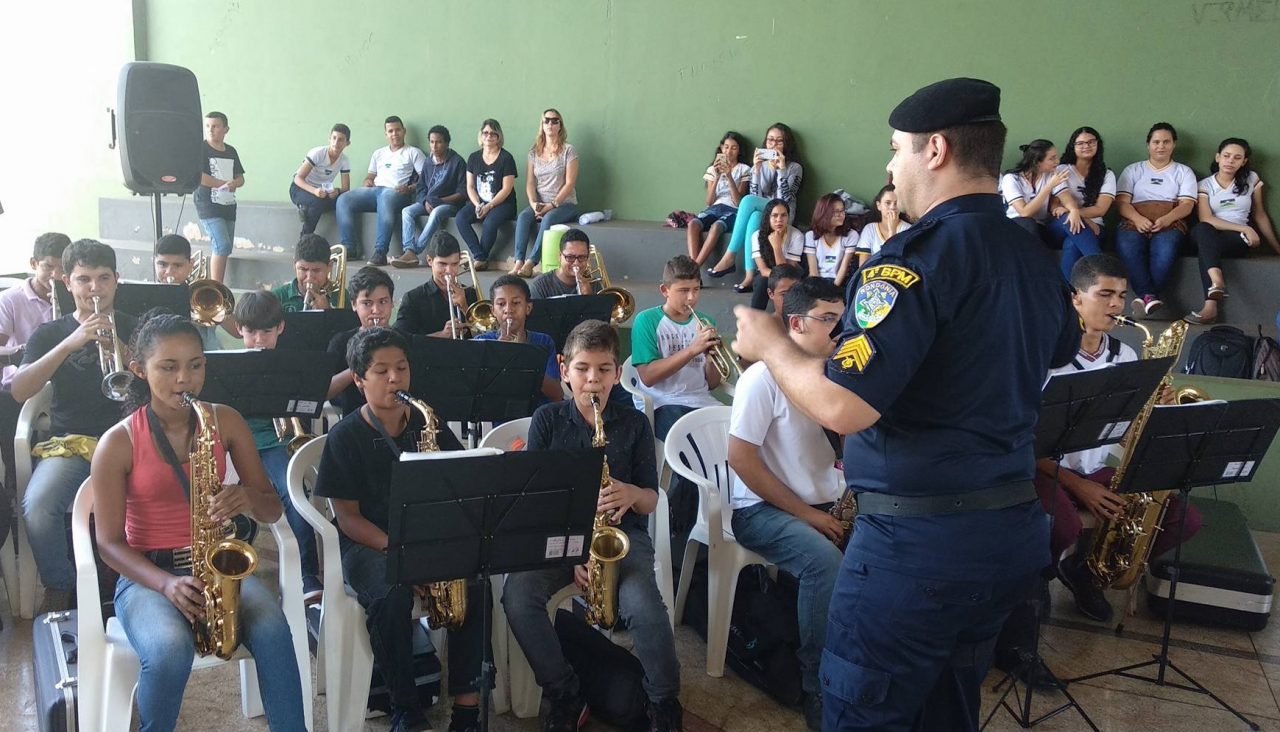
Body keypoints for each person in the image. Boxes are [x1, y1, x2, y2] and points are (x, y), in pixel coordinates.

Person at [731, 78, 1079, 731]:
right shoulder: (1031, 253)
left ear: (937, 150)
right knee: (948, 709)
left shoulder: (911, 263)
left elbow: (843, 406)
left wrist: (773, 346)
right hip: (1005, 531)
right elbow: (1058, 347)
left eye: (897, 149)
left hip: (919, 548)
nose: (890, 166)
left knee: (866, 712)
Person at [89, 312, 306, 731]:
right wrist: (166, 583)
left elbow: (272, 510)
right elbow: (109, 543)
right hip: (148, 575)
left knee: (276, 634)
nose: (184, 380)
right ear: (139, 370)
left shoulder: (226, 421)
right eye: (168, 368)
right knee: (169, 652)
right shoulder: (117, 442)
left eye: (195, 365)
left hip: (216, 565)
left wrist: (246, 497)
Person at [503, 319, 682, 732]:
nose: (592, 381)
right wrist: (572, 552)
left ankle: (663, 703)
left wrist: (632, 494)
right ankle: (564, 692)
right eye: (582, 369)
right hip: (557, 537)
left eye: (604, 370)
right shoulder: (547, 420)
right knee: (518, 596)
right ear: (564, 368)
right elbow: (538, 501)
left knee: (646, 610)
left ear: (618, 373)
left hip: (621, 538)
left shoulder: (635, 424)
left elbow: (653, 498)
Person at [314, 326, 487, 732]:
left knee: (476, 583)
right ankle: (405, 707)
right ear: (358, 381)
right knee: (391, 597)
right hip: (369, 544)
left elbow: (461, 479)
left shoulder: (428, 422)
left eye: (402, 368)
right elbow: (348, 519)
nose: (395, 379)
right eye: (381, 371)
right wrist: (405, 554)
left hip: (426, 536)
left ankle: (467, 708)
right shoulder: (345, 437)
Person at [1033, 254, 1202, 623]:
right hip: (1043, 470)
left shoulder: (1124, 354)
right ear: (1075, 298)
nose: (1116, 305)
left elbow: (1126, 437)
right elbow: (1024, 442)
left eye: (1122, 296)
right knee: (1062, 523)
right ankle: (1035, 582)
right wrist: (1079, 487)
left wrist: (1154, 412)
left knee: (1182, 519)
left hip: (1094, 471)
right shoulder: (1044, 354)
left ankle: (1084, 570)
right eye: (1105, 294)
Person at [730, 277, 846, 730]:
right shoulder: (762, 377)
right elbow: (740, 459)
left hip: (825, 502)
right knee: (825, 564)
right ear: (795, 324)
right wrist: (809, 515)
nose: (840, 332)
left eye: (843, 320)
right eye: (829, 321)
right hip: (761, 510)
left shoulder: (833, 374)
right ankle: (816, 684)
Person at [13, 239, 140, 611]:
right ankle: (61, 585)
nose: (94, 289)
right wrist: (69, 344)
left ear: (117, 280)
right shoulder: (50, 334)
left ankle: (141, 581)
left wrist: (122, 347)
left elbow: (160, 381)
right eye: (84, 279)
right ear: (67, 283)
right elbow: (20, 391)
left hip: (131, 442)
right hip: (70, 443)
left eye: (103, 278)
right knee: (37, 505)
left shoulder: (136, 328)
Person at [233, 290, 324, 602]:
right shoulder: (229, 366)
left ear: (280, 329)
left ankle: (307, 574)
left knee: (293, 489)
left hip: (275, 440)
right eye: (251, 332)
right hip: (234, 443)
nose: (259, 339)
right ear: (238, 330)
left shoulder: (292, 364)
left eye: (267, 332)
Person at [0, 232, 68, 555]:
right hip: (18, 393)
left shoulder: (74, 297)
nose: (54, 277)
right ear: (33, 265)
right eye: (47, 267)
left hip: (60, 393)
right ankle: (16, 499)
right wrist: (27, 351)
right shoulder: (11, 299)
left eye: (60, 269)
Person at [1185, 138, 1280, 324]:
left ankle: (1210, 306)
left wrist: (1276, 247)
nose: (1230, 161)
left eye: (1237, 158)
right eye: (1227, 156)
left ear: (1244, 161)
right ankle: (1217, 281)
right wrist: (1245, 227)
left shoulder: (1251, 179)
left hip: (1235, 240)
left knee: (1208, 248)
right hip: (1210, 233)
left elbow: (1260, 214)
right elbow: (1206, 218)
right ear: (1218, 157)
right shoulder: (1204, 185)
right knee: (1203, 230)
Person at [632, 255, 723, 441]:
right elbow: (648, 377)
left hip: (701, 401)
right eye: (683, 291)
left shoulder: (706, 322)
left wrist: (711, 358)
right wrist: (692, 349)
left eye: (696, 290)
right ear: (665, 290)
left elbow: (712, 384)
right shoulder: (646, 320)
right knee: (692, 445)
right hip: (662, 403)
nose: (691, 298)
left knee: (737, 433)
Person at [1114, 122, 1197, 318]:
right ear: (1148, 145)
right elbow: (1122, 203)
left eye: (1166, 142)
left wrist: (1167, 219)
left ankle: (1145, 297)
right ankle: (1149, 296)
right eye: (1156, 142)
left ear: (1173, 145)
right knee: (1128, 247)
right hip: (1133, 220)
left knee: (1165, 251)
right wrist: (1138, 218)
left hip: (1171, 222)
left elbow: (1187, 205)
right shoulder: (1133, 170)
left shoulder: (1183, 172)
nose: (1161, 146)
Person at [708, 124, 804, 293]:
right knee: (753, 217)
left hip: (783, 214)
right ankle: (750, 274)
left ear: (786, 144)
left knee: (747, 201)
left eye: (779, 141)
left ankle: (730, 255)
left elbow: (784, 200)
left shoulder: (795, 168)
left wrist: (781, 170)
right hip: (764, 212)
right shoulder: (759, 166)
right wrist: (757, 170)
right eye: (770, 140)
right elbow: (756, 194)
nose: (773, 144)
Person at [336, 116, 426, 266]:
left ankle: (380, 252)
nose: (394, 134)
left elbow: (425, 180)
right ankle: (350, 248)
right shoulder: (378, 153)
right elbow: (370, 176)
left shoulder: (413, 152)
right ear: (386, 134)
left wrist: (409, 188)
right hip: (375, 191)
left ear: (404, 131)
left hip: (397, 193)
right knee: (343, 199)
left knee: (386, 196)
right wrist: (368, 181)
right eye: (390, 131)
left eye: (397, 130)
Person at [472, 274, 564, 404]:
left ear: (528, 308)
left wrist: (523, 354)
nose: (508, 310)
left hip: (536, 416)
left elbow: (556, 395)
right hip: (496, 418)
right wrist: (495, 355)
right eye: (501, 304)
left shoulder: (544, 342)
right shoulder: (482, 342)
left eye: (516, 303)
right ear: (493, 310)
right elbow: (474, 392)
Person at [511, 109, 581, 277]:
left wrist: (552, 205)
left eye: (554, 120)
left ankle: (531, 262)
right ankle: (518, 261)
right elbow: (530, 183)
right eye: (546, 121)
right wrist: (534, 204)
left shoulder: (568, 151)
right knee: (523, 217)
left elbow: (570, 183)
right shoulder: (534, 152)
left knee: (549, 218)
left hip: (564, 204)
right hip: (541, 203)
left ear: (560, 125)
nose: (550, 124)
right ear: (541, 125)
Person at [326, 266, 397, 417]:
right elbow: (324, 391)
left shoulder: (402, 340)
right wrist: (357, 368)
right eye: (367, 303)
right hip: (355, 420)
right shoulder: (341, 342)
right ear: (354, 305)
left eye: (383, 302)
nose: (376, 310)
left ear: (392, 303)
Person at [1048, 127, 1115, 282]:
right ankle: (1103, 271)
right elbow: (1054, 205)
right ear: (1073, 146)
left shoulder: (1107, 174)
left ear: (1098, 145)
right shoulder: (1061, 170)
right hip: (1060, 226)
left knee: (1072, 243)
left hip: (1095, 228)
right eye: (1080, 143)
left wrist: (1076, 214)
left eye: (1091, 142)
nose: (1086, 146)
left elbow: (1101, 209)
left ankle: (1066, 294)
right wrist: (1076, 215)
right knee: (1068, 219)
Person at [395, 125, 467, 269]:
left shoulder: (457, 162)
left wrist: (440, 202)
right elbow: (421, 187)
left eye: (439, 142)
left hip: (449, 205)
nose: (434, 146)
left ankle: (414, 251)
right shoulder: (428, 161)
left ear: (447, 143)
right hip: (428, 202)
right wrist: (425, 201)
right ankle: (408, 249)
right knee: (407, 211)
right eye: (432, 142)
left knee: (436, 212)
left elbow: (462, 193)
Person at [153, 233, 239, 347]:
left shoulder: (201, 295)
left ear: (191, 265)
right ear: (154, 262)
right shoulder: (146, 295)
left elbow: (238, 332)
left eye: (178, 265)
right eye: (162, 264)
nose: (169, 272)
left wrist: (215, 308)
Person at [455, 119, 518, 270]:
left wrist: (489, 206)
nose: (489, 136)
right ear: (481, 136)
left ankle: (479, 260)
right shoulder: (473, 158)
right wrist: (478, 205)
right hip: (479, 202)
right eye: (486, 133)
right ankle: (480, 256)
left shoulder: (506, 158)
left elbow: (506, 189)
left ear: (499, 137)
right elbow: (470, 186)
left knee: (490, 222)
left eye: (493, 133)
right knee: (460, 218)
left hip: (504, 204)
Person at [686, 131, 751, 268]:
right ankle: (693, 265)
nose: (729, 151)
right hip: (714, 208)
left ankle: (694, 269)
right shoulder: (712, 169)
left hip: (733, 210)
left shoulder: (744, 169)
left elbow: (738, 202)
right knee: (693, 224)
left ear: (739, 151)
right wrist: (717, 176)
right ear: (721, 148)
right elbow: (709, 202)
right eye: (726, 147)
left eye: (734, 148)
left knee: (716, 226)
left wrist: (729, 176)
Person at [394, 232, 477, 338]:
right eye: (442, 264)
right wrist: (442, 335)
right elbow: (400, 341)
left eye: (455, 264)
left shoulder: (470, 293)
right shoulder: (413, 299)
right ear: (430, 261)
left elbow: (485, 336)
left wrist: (465, 307)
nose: (449, 271)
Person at [195, 111, 246, 283]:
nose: (211, 130)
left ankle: (217, 285)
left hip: (228, 204)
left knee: (225, 247)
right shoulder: (200, 149)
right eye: (208, 126)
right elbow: (199, 176)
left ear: (226, 129)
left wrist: (234, 184)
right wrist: (221, 183)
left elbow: (240, 178)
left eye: (216, 126)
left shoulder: (231, 151)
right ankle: (215, 289)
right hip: (208, 204)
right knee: (221, 244)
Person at [999, 139, 1069, 244]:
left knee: (1070, 222)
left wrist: (1074, 211)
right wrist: (1049, 187)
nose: (1057, 162)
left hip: (1041, 226)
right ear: (1037, 162)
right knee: (1029, 224)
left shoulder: (1052, 174)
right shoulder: (1011, 179)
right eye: (1052, 158)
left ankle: (1095, 257)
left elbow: (1066, 198)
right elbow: (1024, 212)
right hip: (1016, 224)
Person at [289, 123, 352, 237]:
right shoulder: (317, 153)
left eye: (341, 140)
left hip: (322, 192)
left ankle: (348, 243)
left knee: (344, 201)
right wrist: (314, 191)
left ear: (347, 143)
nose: (336, 143)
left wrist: (336, 191)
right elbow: (297, 178)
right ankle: (305, 238)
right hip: (300, 188)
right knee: (317, 203)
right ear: (329, 138)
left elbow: (346, 189)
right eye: (334, 138)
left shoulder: (344, 160)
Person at [749, 199, 805, 311]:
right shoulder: (757, 236)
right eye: (774, 215)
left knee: (790, 284)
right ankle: (754, 318)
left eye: (783, 215)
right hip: (767, 275)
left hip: (791, 274)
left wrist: (777, 247)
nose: (779, 220)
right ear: (768, 217)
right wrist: (776, 277)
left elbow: (787, 274)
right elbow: (763, 270)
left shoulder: (796, 236)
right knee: (761, 281)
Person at [270, 233, 340, 312]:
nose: (309, 278)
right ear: (294, 265)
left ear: (329, 267)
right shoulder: (277, 297)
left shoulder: (340, 295)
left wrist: (328, 312)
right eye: (303, 269)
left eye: (316, 270)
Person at [803, 194, 859, 287]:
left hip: (839, 281)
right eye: (836, 212)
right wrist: (817, 289)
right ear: (824, 213)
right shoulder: (810, 236)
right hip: (816, 281)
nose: (841, 215)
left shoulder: (851, 235)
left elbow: (844, 268)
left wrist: (833, 289)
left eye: (842, 211)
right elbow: (813, 271)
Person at [854, 185, 911, 265]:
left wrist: (892, 230)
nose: (892, 207)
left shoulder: (908, 229)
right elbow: (863, 266)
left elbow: (898, 262)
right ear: (879, 205)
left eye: (896, 203)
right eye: (888, 203)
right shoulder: (870, 229)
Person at [530, 228, 594, 299]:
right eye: (570, 257)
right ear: (559, 256)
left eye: (582, 257)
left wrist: (590, 298)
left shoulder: (594, 285)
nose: (576, 263)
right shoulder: (539, 286)